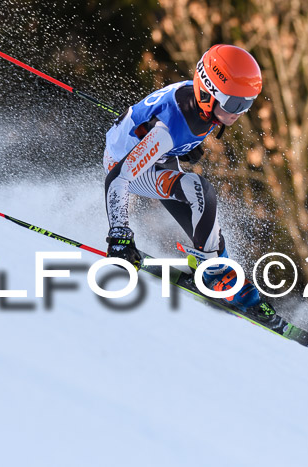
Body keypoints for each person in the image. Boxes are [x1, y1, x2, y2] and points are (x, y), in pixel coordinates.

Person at [103, 44, 262, 311]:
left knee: (203, 211)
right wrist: (120, 237)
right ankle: (212, 273)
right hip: (125, 166)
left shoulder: (202, 103)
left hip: (157, 155)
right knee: (199, 190)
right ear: (210, 93)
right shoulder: (170, 130)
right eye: (235, 103)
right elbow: (118, 179)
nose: (239, 112)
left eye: (248, 104)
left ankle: (215, 267)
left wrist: (185, 147)